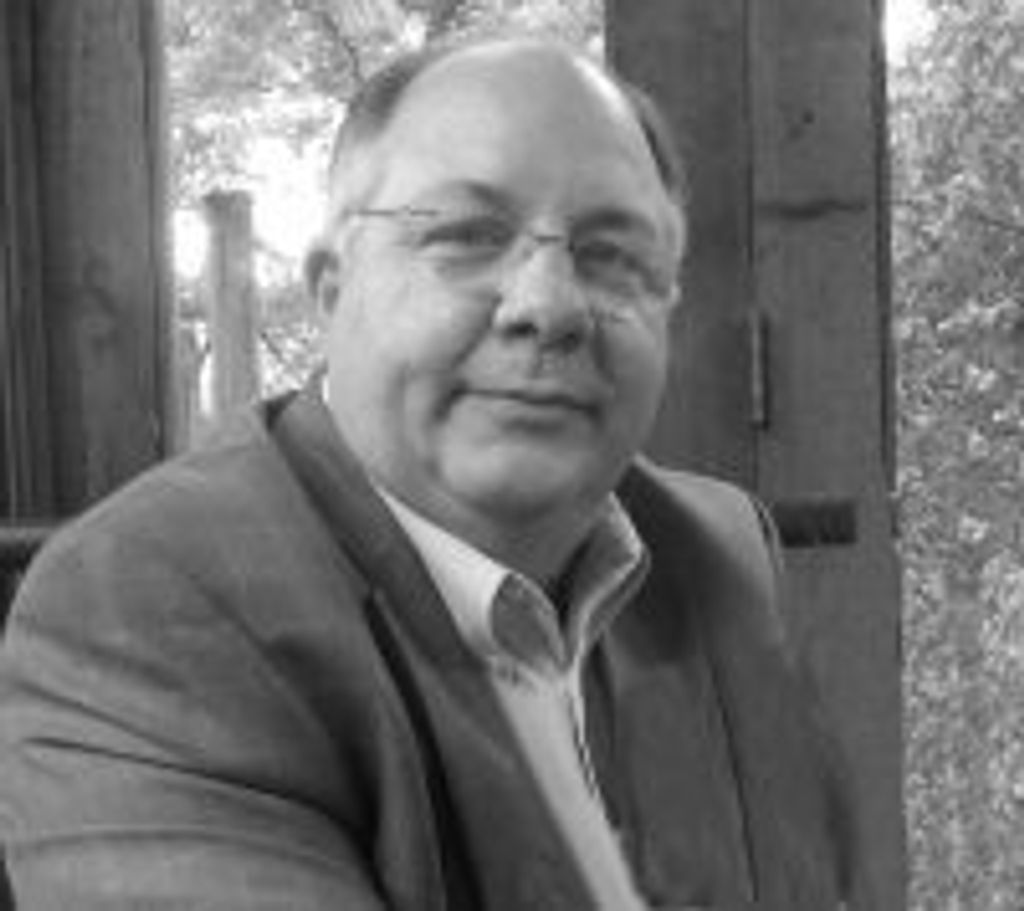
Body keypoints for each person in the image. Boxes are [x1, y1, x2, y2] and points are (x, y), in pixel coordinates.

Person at [0, 35, 864, 910]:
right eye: (467, 237)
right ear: (332, 286)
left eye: (612, 255)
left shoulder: (719, 548)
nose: (550, 306)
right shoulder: (136, 604)